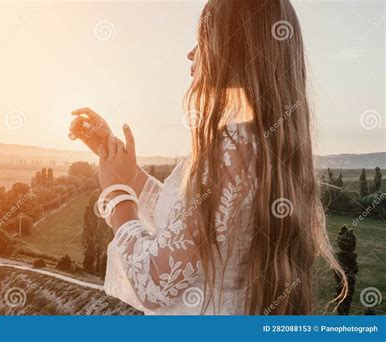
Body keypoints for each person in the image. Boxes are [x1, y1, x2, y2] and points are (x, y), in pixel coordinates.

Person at [68, 0, 347, 315]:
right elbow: (189, 225)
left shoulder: (233, 148)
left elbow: (153, 282)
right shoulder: (258, 142)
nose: (191, 53)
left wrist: (118, 197)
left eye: (202, 40)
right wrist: (129, 175)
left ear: (234, 49)